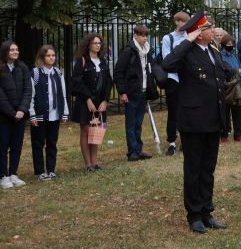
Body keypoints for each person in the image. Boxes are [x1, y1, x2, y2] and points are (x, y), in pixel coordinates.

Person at [161, 9, 228, 234]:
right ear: (199, 33)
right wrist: (187, 39)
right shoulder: (187, 52)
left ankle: (207, 211)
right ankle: (194, 215)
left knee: (208, 168)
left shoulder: (213, 51)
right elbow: (167, 64)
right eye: (208, 27)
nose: (213, 30)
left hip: (213, 118)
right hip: (193, 120)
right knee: (194, 169)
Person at [71, 33, 112, 172]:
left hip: (100, 102)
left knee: (96, 130)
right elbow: (76, 82)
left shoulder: (103, 61)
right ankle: (87, 164)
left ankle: (94, 162)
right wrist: (87, 98)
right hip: (85, 102)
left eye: (99, 43)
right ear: (88, 44)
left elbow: (108, 82)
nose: (97, 45)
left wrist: (105, 100)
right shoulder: (82, 60)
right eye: (95, 43)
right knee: (86, 130)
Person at [114, 24, 155, 162]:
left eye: (146, 35)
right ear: (135, 35)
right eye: (142, 35)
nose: (144, 38)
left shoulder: (147, 52)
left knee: (138, 123)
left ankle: (138, 149)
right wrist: (122, 92)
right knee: (131, 124)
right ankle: (132, 152)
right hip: (131, 92)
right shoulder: (129, 51)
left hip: (142, 91)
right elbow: (118, 71)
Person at [28, 45, 69, 180]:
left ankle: (51, 169)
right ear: (42, 57)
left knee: (52, 142)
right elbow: (31, 95)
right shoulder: (36, 73)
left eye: (53, 55)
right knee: (38, 143)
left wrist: (64, 112)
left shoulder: (58, 72)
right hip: (40, 114)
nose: (51, 58)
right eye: (48, 55)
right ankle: (40, 171)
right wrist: (32, 114)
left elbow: (62, 93)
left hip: (55, 114)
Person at [0, 40, 32, 188]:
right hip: (4, 116)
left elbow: (28, 90)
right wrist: (12, 113)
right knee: (3, 145)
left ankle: (13, 174)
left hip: (20, 115)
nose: (15, 52)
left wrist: (22, 109)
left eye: (17, 49)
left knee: (16, 145)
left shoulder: (22, 67)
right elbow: (1, 96)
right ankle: (3, 176)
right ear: (5, 51)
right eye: (12, 50)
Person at [162, 11, 189, 156]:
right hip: (173, 79)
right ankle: (171, 142)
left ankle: (185, 141)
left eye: (184, 21)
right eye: (180, 21)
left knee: (186, 111)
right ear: (176, 22)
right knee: (173, 112)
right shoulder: (168, 38)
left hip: (187, 79)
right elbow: (167, 59)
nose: (182, 24)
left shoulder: (189, 37)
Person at [219, 34, 241, 142]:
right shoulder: (220, 56)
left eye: (232, 44)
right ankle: (224, 134)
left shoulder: (234, 56)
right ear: (223, 44)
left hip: (237, 87)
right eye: (228, 43)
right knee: (225, 112)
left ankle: (238, 135)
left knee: (237, 111)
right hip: (226, 87)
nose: (230, 45)